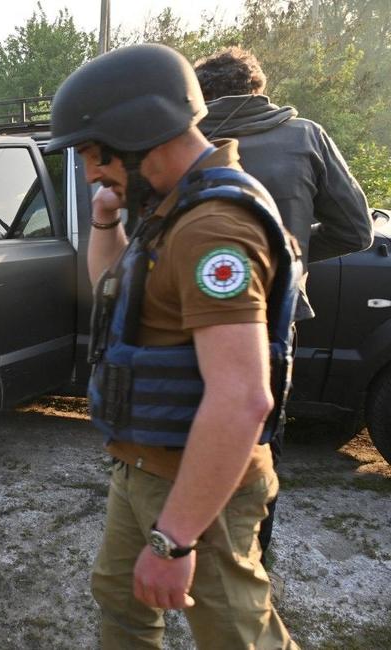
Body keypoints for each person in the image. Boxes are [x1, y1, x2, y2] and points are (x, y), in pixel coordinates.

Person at [46, 43, 300, 648]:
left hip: (196, 483)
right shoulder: (171, 209)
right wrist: (107, 218)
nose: (88, 173)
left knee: (237, 637)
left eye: (92, 154)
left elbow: (242, 399)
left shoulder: (215, 228)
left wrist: (174, 538)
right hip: (142, 468)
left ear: (137, 132)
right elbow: (109, 288)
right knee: (122, 602)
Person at [194, 46, 373, 564]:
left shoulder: (185, 146)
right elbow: (356, 229)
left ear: (203, 97)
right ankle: (251, 552)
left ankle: (189, 540)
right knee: (260, 432)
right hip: (271, 317)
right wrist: (286, 250)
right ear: (257, 88)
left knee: (193, 422)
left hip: (193, 317)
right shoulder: (305, 137)